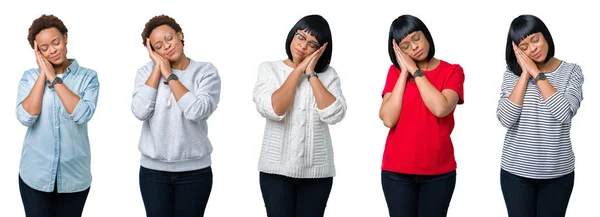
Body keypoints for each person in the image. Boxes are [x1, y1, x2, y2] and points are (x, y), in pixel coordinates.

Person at [252, 14, 346, 217]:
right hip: (275, 173)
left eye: (312, 44)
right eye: (300, 37)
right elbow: (275, 109)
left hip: (317, 174)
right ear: (292, 36)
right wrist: (298, 70)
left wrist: (311, 74)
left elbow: (334, 114)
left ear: (321, 50)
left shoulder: (328, 75)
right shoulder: (269, 69)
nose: (303, 46)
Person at [131, 15, 221, 217]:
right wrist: (157, 69)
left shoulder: (205, 71)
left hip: (195, 171)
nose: (167, 47)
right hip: (153, 172)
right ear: (152, 51)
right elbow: (140, 111)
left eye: (169, 38)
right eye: (158, 46)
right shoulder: (145, 72)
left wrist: (170, 76)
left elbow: (197, 111)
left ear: (180, 35)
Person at [497, 14, 583, 217]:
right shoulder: (512, 73)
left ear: (545, 36)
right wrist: (525, 73)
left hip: (558, 174)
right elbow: (506, 119)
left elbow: (564, 113)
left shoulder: (572, 71)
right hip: (515, 173)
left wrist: (536, 73)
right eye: (524, 47)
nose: (533, 48)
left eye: (535, 39)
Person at [378, 14, 465, 217]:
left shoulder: (452, 71)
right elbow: (388, 119)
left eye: (416, 38)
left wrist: (415, 71)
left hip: (439, 172)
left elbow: (441, 108)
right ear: (398, 51)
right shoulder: (394, 73)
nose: (414, 47)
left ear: (426, 35)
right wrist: (403, 72)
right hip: (396, 171)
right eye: (405, 46)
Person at [16, 14, 100, 217]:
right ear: (37, 51)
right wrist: (43, 74)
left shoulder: (88, 77)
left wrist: (53, 77)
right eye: (44, 48)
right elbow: (27, 116)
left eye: (56, 42)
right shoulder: (30, 78)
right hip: (35, 176)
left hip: (74, 179)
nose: (52, 50)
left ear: (65, 37)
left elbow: (82, 114)